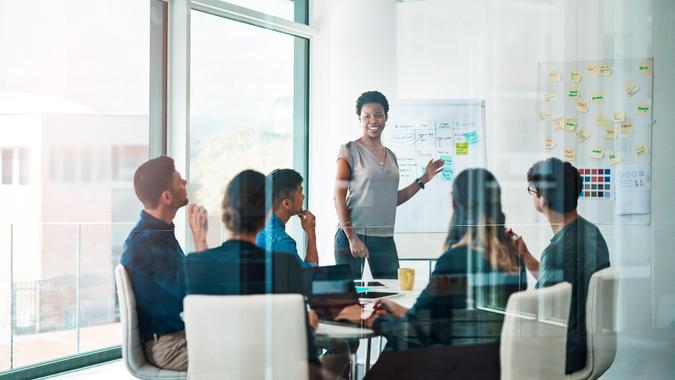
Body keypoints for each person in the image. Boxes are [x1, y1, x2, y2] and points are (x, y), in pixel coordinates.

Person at [183, 170, 352, 379]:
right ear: (265, 216)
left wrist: (201, 243)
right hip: (272, 367)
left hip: (217, 370)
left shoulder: (194, 263)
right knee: (338, 343)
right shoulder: (283, 264)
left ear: (225, 214)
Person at [506, 157, 610, 374]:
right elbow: (561, 289)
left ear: (544, 199)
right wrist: (524, 255)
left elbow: (542, 315)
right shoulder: (591, 232)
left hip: (562, 353)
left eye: (532, 189)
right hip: (584, 344)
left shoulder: (558, 251)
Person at [334, 90, 444, 279]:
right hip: (352, 233)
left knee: (391, 294)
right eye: (366, 116)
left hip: (384, 236)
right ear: (359, 120)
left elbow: (391, 199)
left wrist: (423, 179)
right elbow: (338, 197)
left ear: (386, 118)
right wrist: (352, 237)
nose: (373, 121)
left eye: (378, 115)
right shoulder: (349, 150)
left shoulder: (391, 156)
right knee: (349, 297)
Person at [119, 156, 209, 371]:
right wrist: (200, 240)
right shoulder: (145, 243)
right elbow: (191, 291)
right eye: (180, 182)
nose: (185, 183)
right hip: (167, 346)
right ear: (166, 197)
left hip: (179, 334)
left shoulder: (160, 233)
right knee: (245, 356)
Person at [256, 168, 319, 267]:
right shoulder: (282, 242)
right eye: (300, 192)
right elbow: (310, 275)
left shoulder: (252, 231)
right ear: (287, 203)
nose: (303, 197)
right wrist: (311, 234)